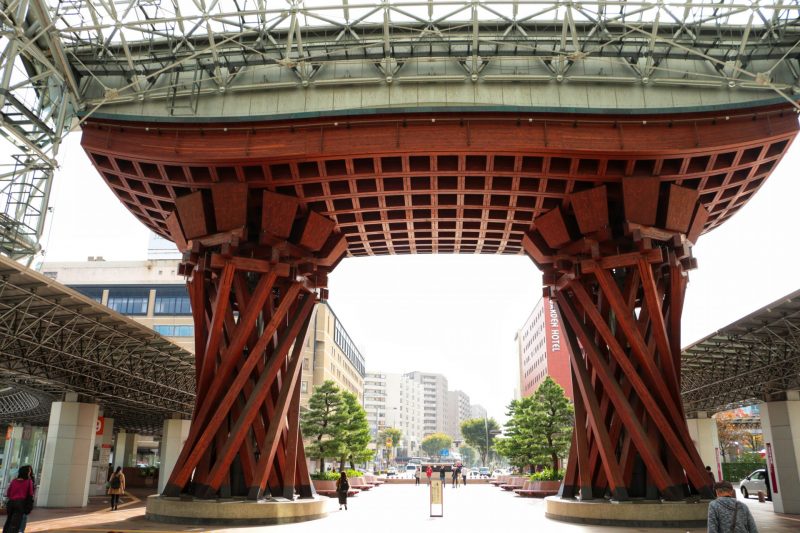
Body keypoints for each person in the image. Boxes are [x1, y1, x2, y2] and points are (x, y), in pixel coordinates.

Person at [3, 465, 34, 533]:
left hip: (11, 503)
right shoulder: (29, 482)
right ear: (26, 472)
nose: (30, 472)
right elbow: (30, 494)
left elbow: (8, 493)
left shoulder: (14, 481)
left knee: (9, 520)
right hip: (20, 503)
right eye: (29, 471)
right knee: (16, 523)